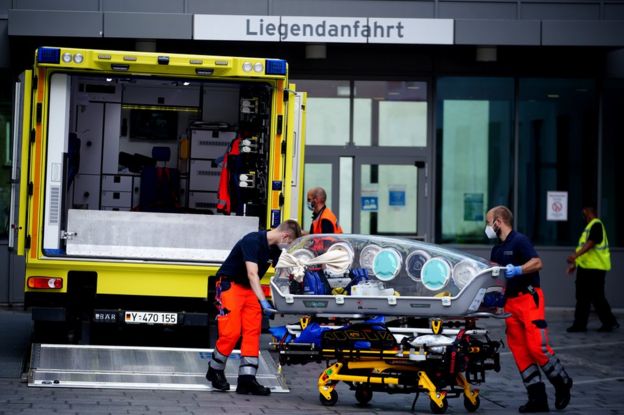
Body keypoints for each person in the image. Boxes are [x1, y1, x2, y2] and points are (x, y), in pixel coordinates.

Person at [486, 206, 572, 413]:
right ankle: (537, 398)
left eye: (489, 222)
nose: (487, 227)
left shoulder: (519, 241)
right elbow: (496, 278)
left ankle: (562, 381)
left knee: (536, 347)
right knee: (520, 351)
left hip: (529, 298)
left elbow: (537, 262)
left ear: (498, 221)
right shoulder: (496, 249)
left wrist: (519, 269)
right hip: (510, 303)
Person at [206, 219, 302, 395]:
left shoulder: (274, 249)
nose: (287, 247)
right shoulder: (252, 241)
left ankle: (247, 380)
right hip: (230, 285)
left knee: (252, 331)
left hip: (249, 290)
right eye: (289, 243)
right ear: (285, 236)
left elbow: (283, 271)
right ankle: (215, 370)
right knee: (231, 332)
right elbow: (252, 273)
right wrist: (263, 301)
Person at [566, 206, 618, 332]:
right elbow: (583, 247)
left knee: (596, 297)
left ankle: (609, 322)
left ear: (590, 213)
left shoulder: (596, 225)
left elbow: (592, 243)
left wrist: (575, 256)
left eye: (585, 213)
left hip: (595, 269)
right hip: (586, 268)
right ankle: (580, 324)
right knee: (583, 297)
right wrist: (575, 264)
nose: (583, 216)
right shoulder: (589, 227)